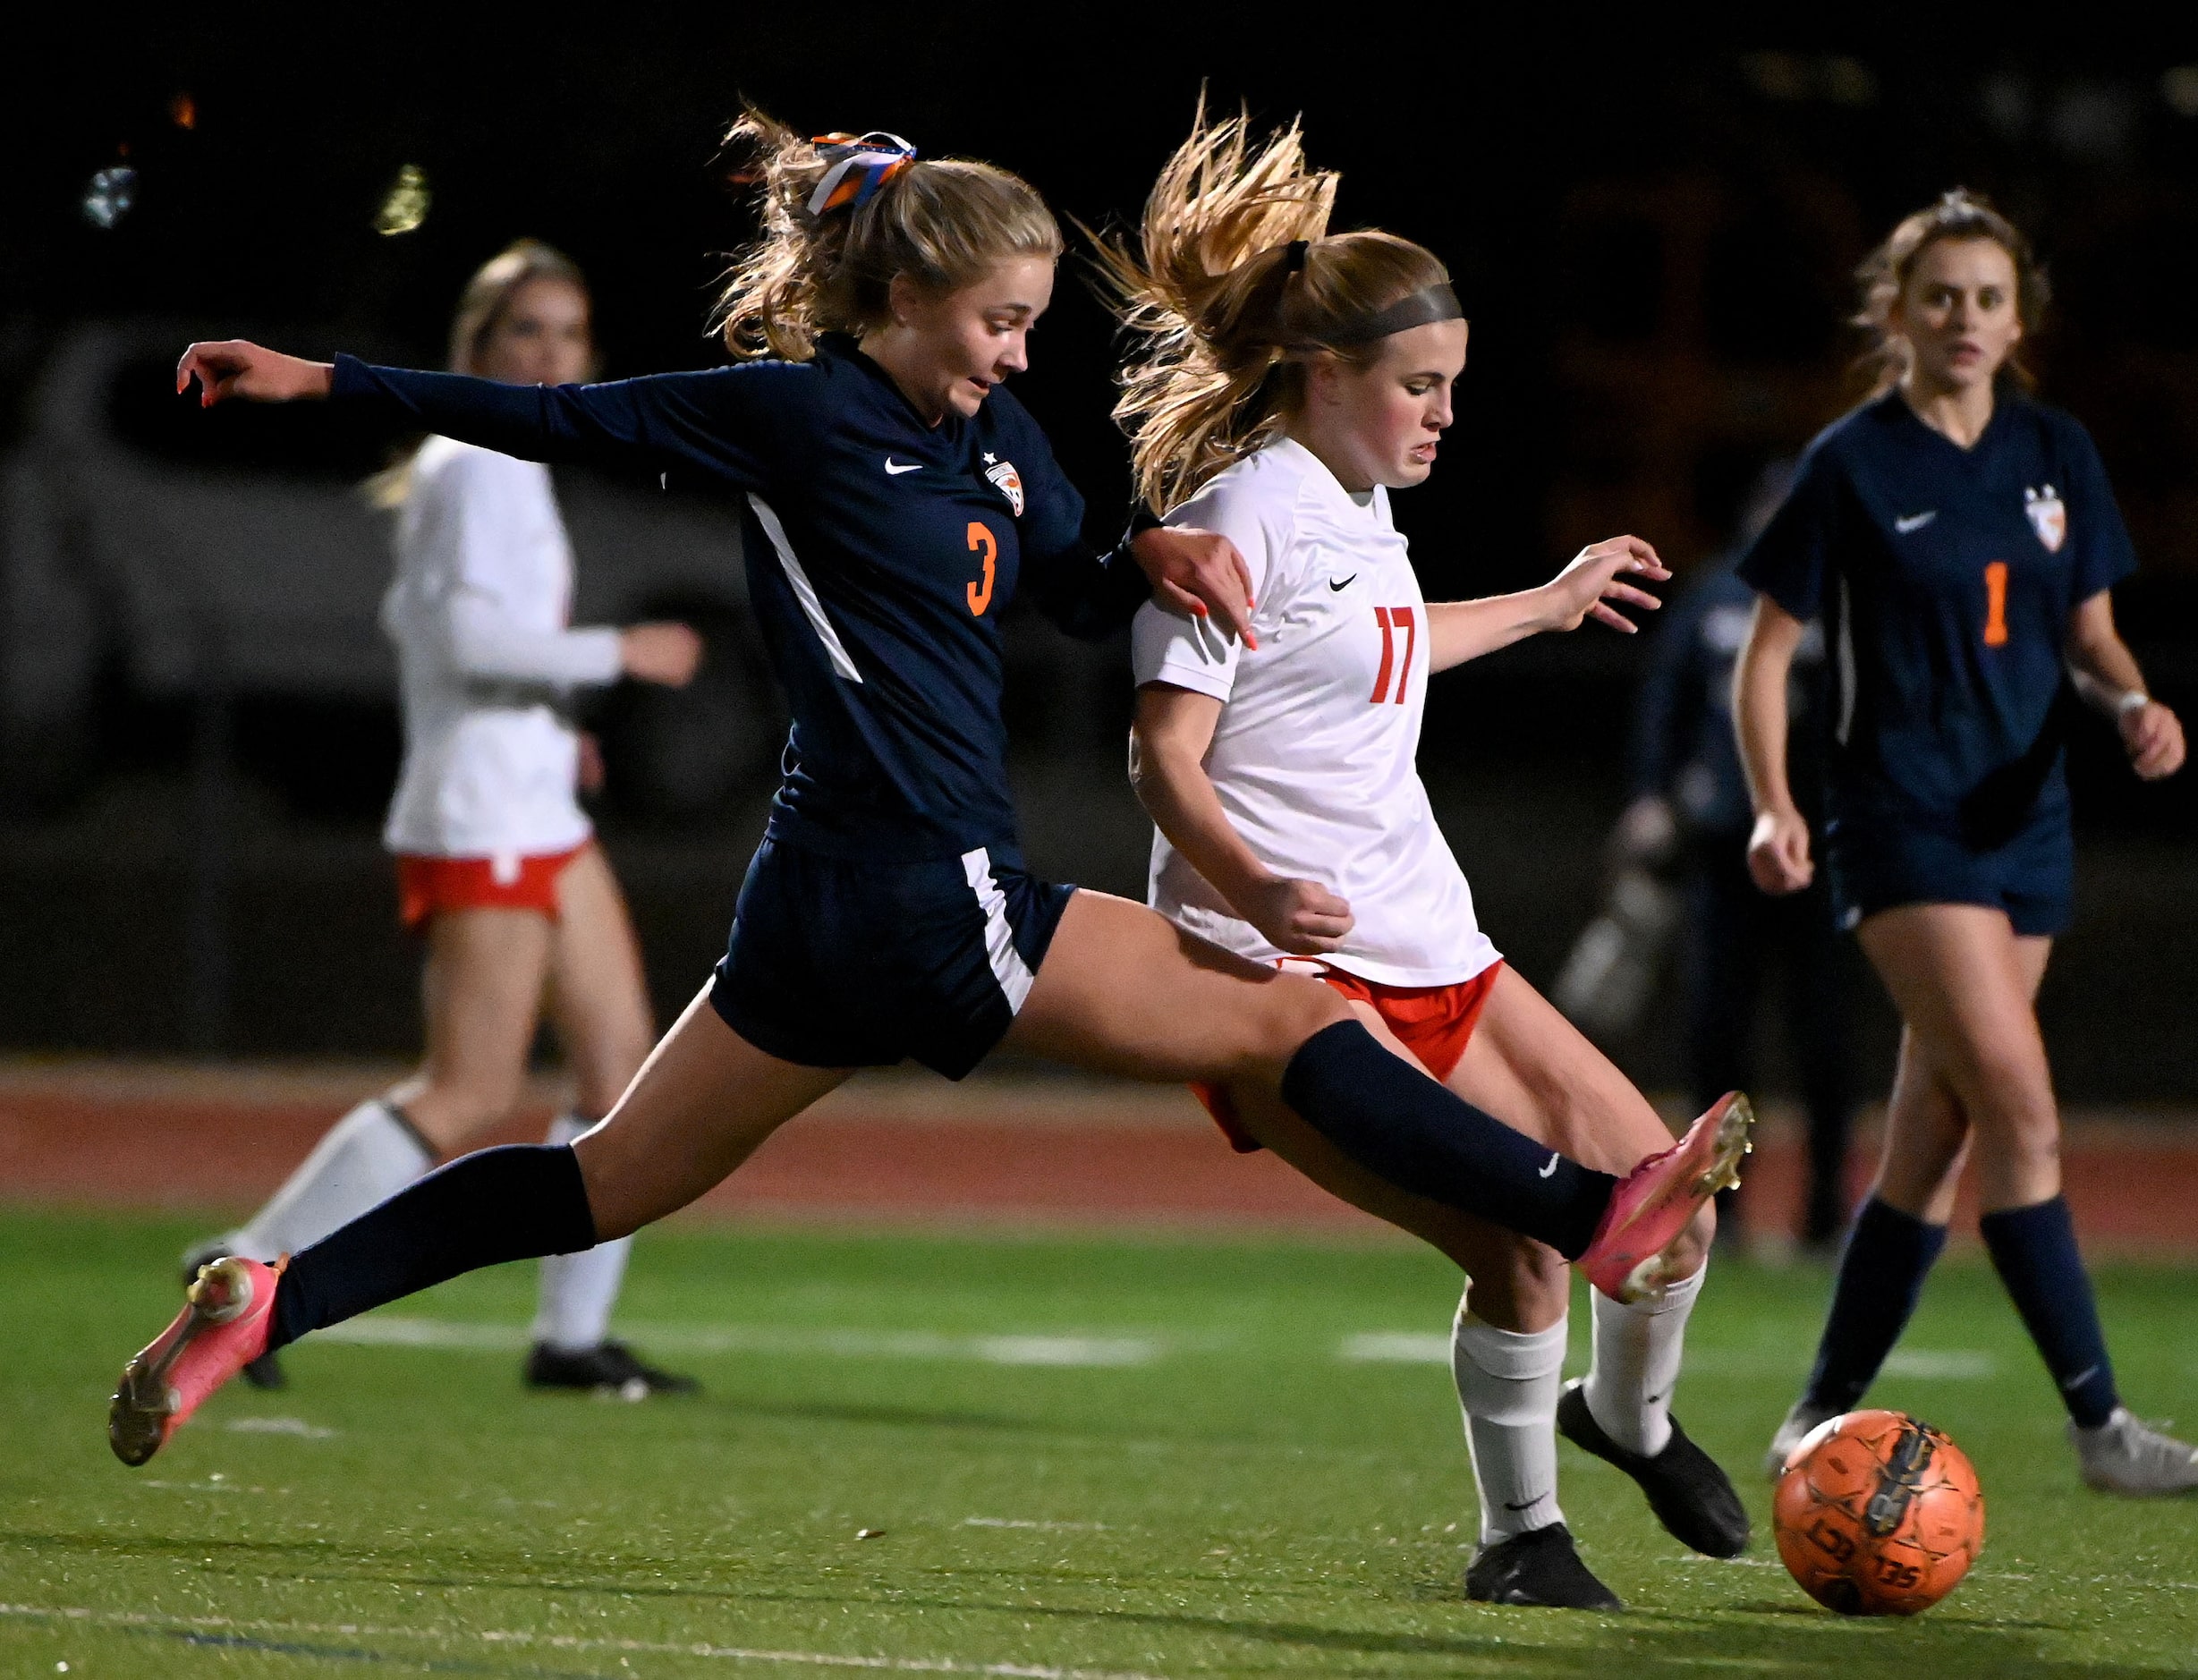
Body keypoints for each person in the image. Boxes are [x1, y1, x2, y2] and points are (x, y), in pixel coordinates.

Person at [111, 115, 1750, 1481]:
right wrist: (321, 381)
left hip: (813, 899)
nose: (1017, 353)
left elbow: (1068, 584)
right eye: (993, 324)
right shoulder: (794, 413)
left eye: (1031, 321)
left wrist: (1142, 558)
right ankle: (1589, 1208)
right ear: (898, 296)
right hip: (927, 889)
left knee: (603, 1178)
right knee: (1287, 1020)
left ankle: (268, 1296)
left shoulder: (1002, 440)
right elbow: (547, 420)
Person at [1105, 108, 1747, 1610]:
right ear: (1324, 376)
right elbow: (1160, 755)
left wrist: (1541, 597)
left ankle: (1625, 1419)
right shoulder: (1234, 518)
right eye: (1418, 384)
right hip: (1292, 979)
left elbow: (1382, 644)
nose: (1445, 412)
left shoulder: (1358, 500)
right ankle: (1517, 1536)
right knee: (1527, 1250)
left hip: (1432, 936)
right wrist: (1254, 887)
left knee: (1671, 1194)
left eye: (1452, 383)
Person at [182, 241, 701, 1397]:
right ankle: (238, 1264)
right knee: (469, 1090)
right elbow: (464, 644)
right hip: (483, 814)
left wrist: (556, 720)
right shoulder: (477, 462)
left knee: (624, 1071)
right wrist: (621, 651)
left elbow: (464, 643)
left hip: (532, 803)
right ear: (479, 348)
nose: (552, 354)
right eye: (528, 332)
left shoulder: (501, 461)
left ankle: (571, 1340)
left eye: (570, 335)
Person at [1739, 191, 2195, 1493]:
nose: (1964, 319)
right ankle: (2102, 1424)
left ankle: (1816, 1406)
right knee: (2021, 1105)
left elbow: (2089, 641)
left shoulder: (2056, 452)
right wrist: (1776, 800)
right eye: (1939, 294)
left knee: (1930, 1138)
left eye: (1987, 298)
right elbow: (1764, 659)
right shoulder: (1850, 463)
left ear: (2017, 319)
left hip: (2025, 829)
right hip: (1902, 821)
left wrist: (2132, 705)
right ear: (1895, 311)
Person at [1621, 462, 1854, 1252]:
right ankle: (1725, 1213)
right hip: (1725, 846)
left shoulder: (1841, 602)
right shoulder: (1715, 596)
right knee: (1715, 1034)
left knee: (1825, 1036)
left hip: (1823, 851)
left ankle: (1825, 1209)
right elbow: (1665, 703)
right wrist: (1650, 796)